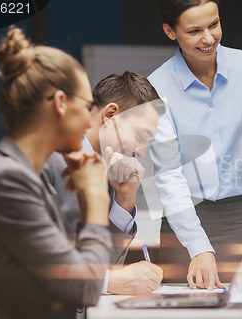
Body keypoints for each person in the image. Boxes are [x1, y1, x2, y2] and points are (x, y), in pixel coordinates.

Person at [0, 27, 111, 318]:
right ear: (60, 103)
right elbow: (84, 286)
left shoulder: (24, 174)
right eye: (87, 106)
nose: (89, 119)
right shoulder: (7, 180)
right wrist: (97, 198)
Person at [148, 0, 242, 289]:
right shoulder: (157, 87)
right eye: (195, 30)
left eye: (214, 24)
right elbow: (167, 174)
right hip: (183, 222)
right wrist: (197, 246)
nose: (209, 38)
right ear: (170, 31)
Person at [43, 72, 165, 295]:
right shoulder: (48, 158)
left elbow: (104, 267)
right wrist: (107, 281)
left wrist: (125, 198)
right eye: (140, 135)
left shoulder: (107, 174)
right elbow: (30, 257)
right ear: (110, 114)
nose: (142, 151)